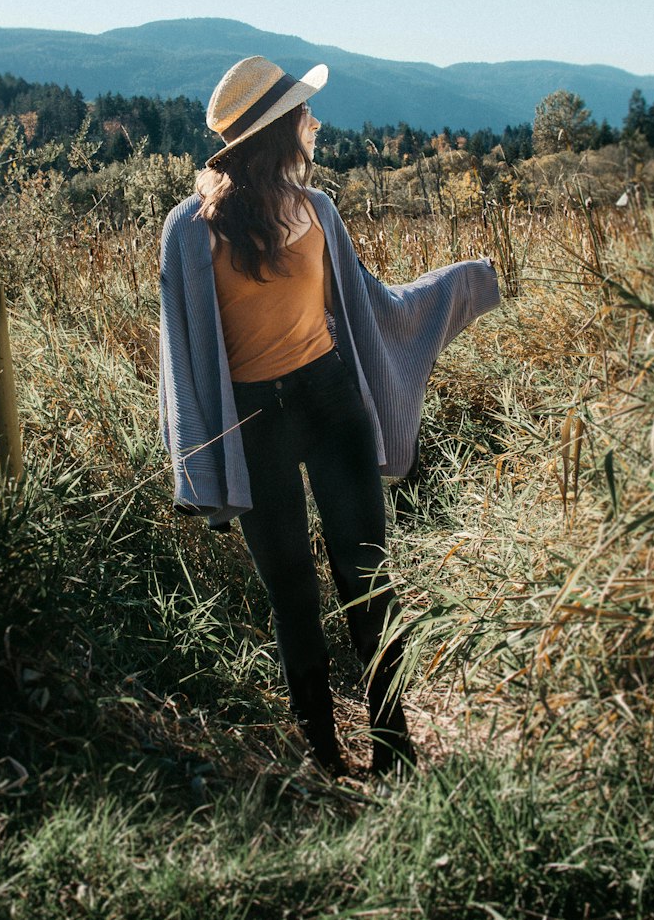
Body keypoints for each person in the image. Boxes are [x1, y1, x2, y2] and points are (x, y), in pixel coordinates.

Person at [159, 56, 500, 776]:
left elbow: (374, 305)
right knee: (292, 592)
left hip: (330, 398)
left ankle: (395, 750)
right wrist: (196, 459)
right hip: (253, 422)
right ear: (280, 128)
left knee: (367, 579)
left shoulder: (319, 211)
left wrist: (461, 283)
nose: (315, 120)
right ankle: (325, 755)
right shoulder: (189, 229)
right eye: (304, 111)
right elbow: (182, 353)